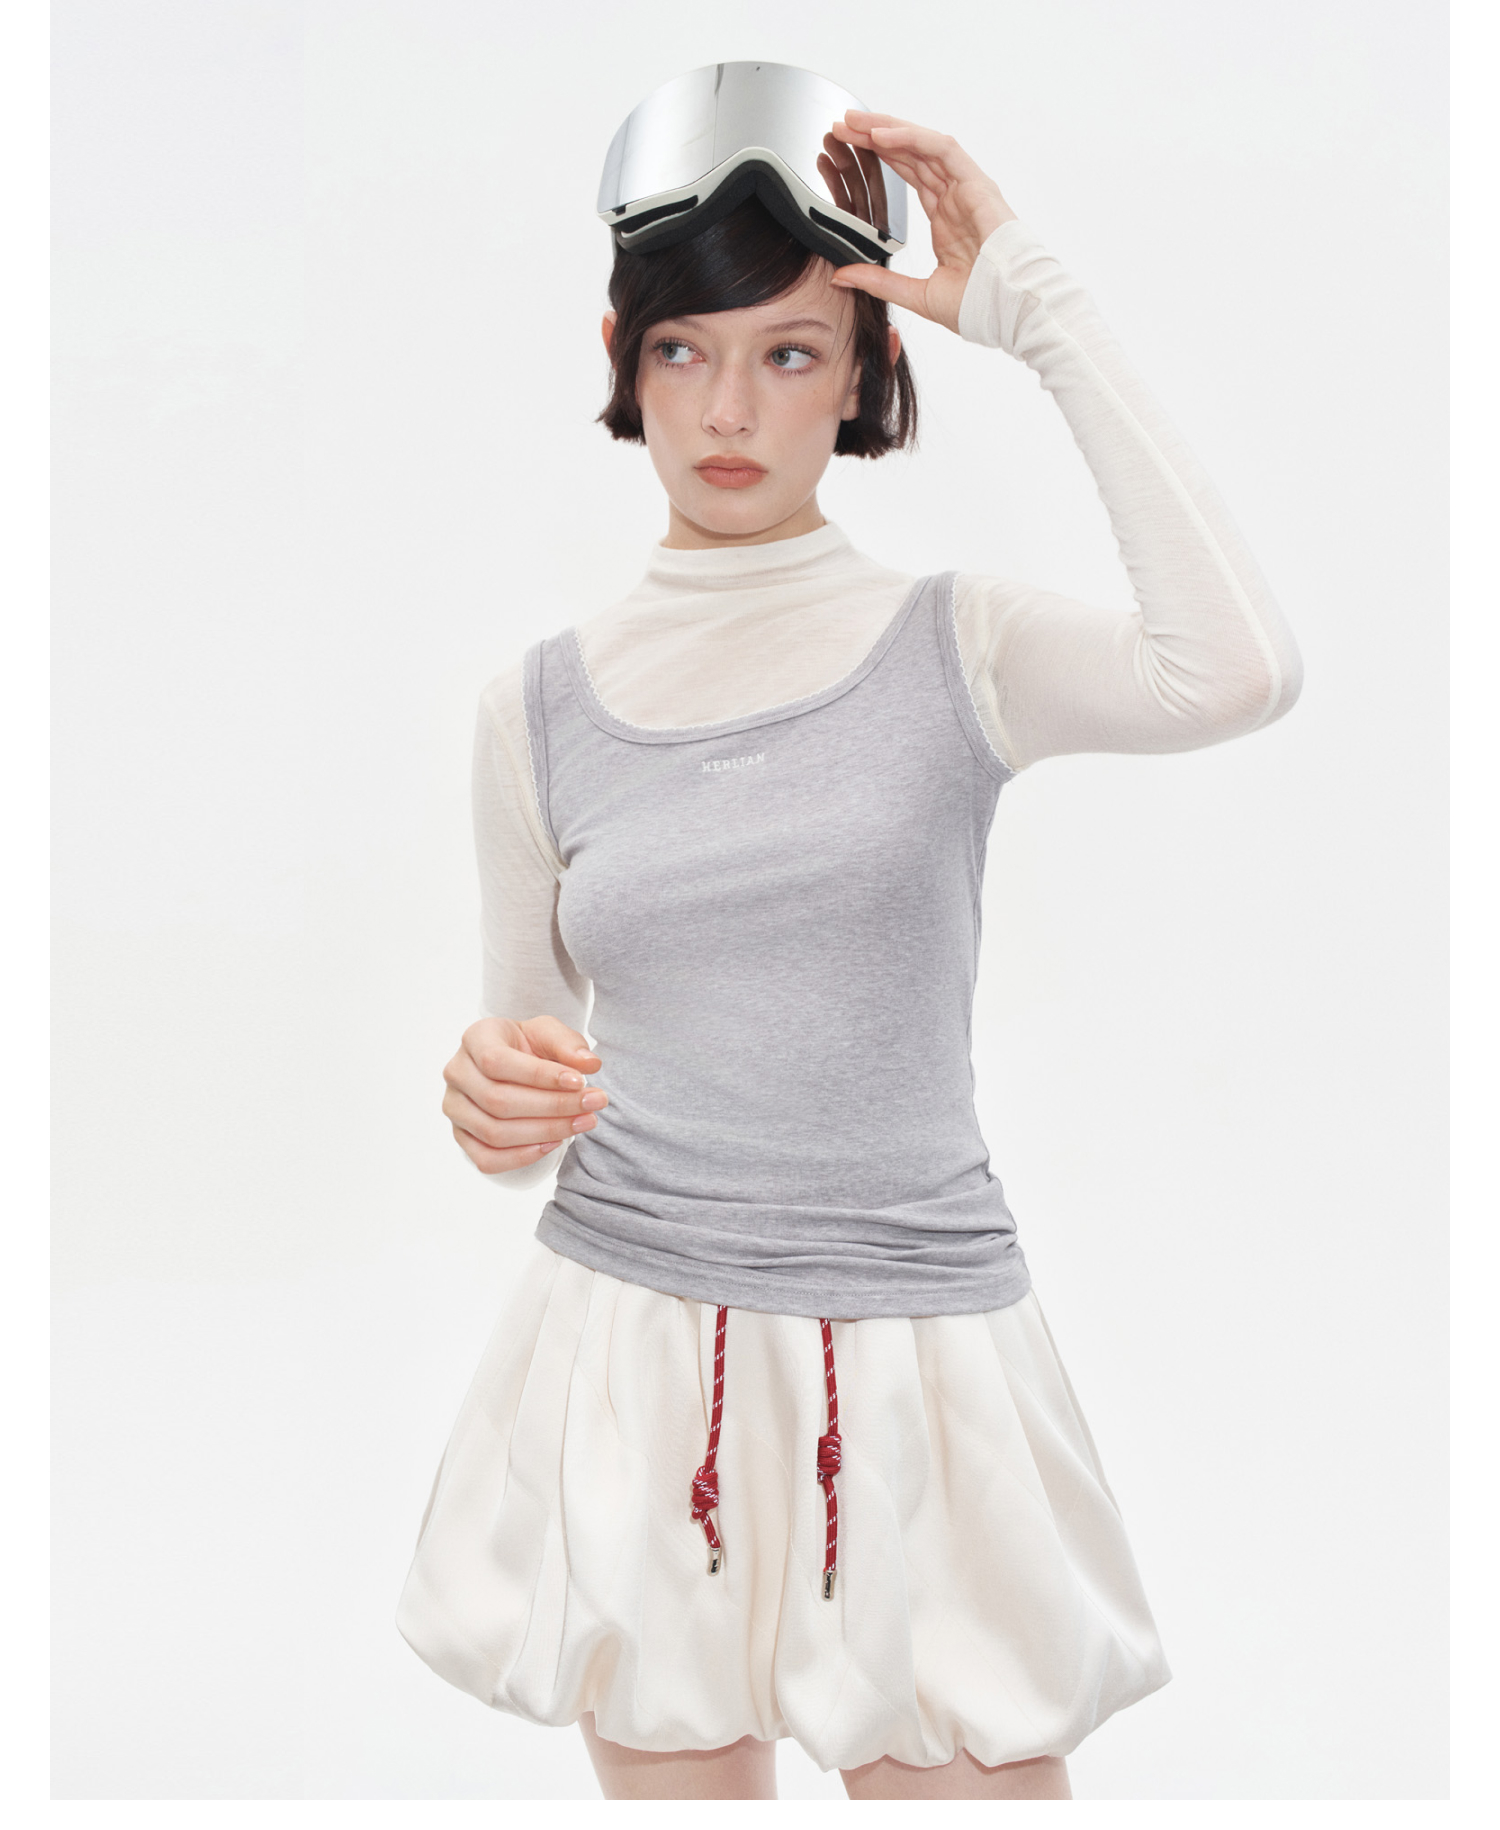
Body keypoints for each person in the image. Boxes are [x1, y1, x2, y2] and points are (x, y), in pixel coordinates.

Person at [396, 76, 1303, 1802]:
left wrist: (1033, 307)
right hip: (634, 1349)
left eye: (793, 351)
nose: (730, 406)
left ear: (867, 371)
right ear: (624, 355)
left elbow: (1236, 669)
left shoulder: (957, 648)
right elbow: (527, 1085)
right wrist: (486, 1094)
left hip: (914, 1359)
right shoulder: (534, 711)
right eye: (685, 349)